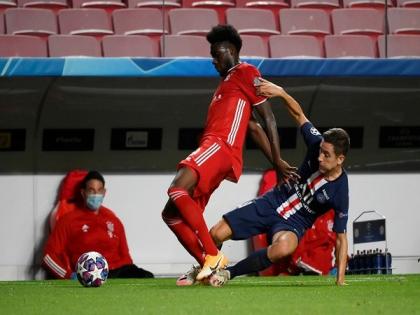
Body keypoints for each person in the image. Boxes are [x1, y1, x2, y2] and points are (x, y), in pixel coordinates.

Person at [161, 25, 298, 286]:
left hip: (219, 147)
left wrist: (278, 160)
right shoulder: (225, 84)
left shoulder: (246, 72)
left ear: (232, 51)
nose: (213, 60)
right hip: (213, 149)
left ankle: (212, 255)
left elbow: (267, 118)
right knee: (171, 214)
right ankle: (207, 266)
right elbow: (253, 128)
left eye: (217, 54)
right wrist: (275, 162)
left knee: (176, 189)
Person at [208, 78, 350, 286]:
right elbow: (298, 114)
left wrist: (340, 280)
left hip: (295, 223)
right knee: (215, 233)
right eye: (320, 152)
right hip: (273, 200)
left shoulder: (340, 191)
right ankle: (205, 268)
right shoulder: (317, 143)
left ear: (340, 159)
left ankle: (227, 273)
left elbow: (341, 238)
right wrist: (281, 93)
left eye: (326, 155)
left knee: (285, 248)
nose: (319, 157)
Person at [43, 170, 154, 279]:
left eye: (99, 190)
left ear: (104, 192)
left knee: (147, 277)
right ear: (83, 192)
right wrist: (69, 276)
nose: (96, 194)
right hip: (90, 272)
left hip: (116, 272)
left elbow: (126, 257)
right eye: (91, 190)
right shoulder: (68, 220)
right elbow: (48, 257)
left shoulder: (113, 220)